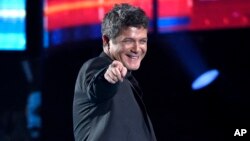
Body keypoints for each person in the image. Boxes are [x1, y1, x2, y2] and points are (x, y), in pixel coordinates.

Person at [73, 3, 157, 141]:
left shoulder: (128, 83)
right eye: (128, 41)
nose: (137, 48)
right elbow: (97, 86)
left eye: (142, 41)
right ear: (106, 41)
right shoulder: (95, 66)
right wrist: (108, 78)